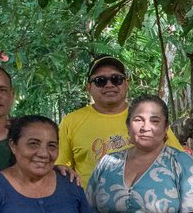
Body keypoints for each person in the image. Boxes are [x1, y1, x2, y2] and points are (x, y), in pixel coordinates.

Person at [56, 55, 180, 183]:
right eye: (100, 80)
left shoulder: (147, 116)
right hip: (91, 202)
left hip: (149, 200)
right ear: (88, 87)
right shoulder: (71, 121)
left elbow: (179, 159)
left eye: (116, 79)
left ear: (126, 83)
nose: (109, 85)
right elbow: (61, 166)